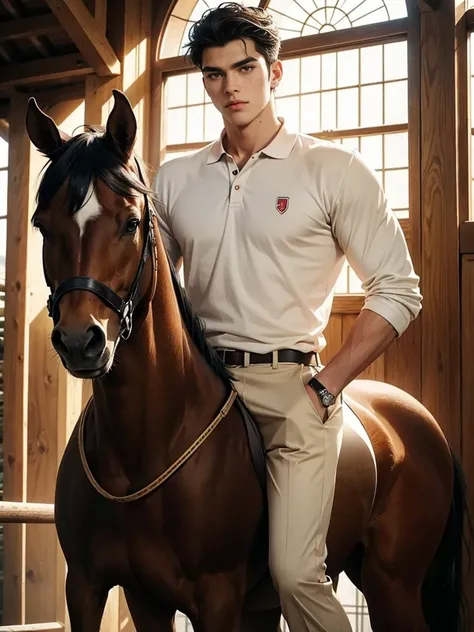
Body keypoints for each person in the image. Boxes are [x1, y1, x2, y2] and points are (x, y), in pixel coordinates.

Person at [152, 3, 422, 630]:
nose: (230, 86)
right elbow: (149, 294)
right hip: (202, 390)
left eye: (244, 67)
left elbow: (399, 291)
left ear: (275, 73)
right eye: (215, 74)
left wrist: (328, 385)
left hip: (290, 391)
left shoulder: (332, 170)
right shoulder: (173, 180)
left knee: (296, 575)